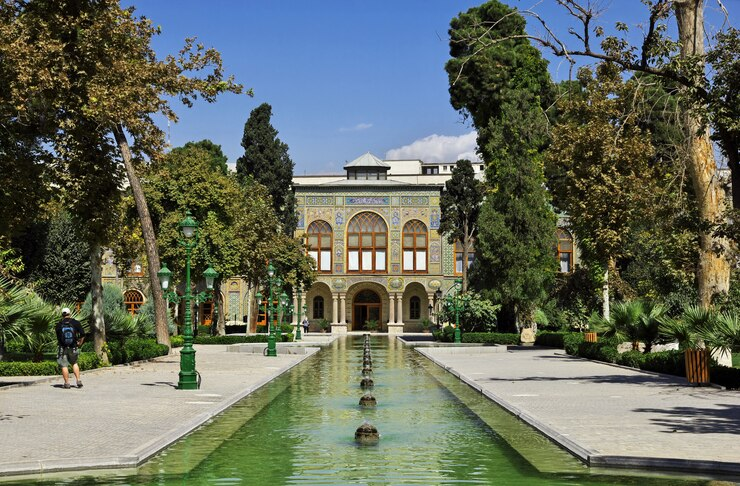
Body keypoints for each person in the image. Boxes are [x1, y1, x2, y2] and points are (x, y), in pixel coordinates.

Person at [55, 307, 85, 389]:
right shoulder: (76, 323)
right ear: (70, 314)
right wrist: (80, 342)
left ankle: (67, 383)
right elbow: (82, 334)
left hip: (63, 347)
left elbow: (58, 337)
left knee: (64, 365)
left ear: (62, 315)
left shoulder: (59, 324)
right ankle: (78, 380)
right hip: (73, 346)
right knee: (74, 363)